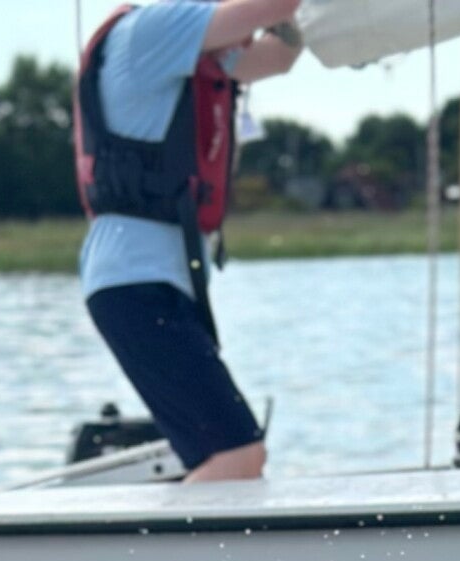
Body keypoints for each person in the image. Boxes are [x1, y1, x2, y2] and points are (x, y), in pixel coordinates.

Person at [76, 0, 304, 482]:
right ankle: (162, 534)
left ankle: (180, 527)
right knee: (237, 455)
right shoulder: (151, 30)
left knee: (230, 456)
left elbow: (279, 56)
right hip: (135, 284)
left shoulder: (186, 49)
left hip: (154, 284)